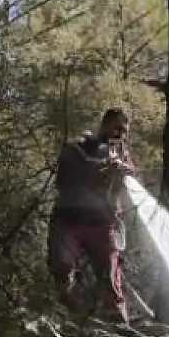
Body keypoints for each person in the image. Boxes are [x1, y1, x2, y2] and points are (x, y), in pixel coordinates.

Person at [48, 107, 135, 324]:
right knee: (62, 266)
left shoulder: (121, 154)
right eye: (117, 128)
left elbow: (132, 178)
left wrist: (122, 170)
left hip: (103, 223)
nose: (120, 134)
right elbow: (65, 177)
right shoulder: (78, 146)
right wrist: (102, 168)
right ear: (104, 124)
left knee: (109, 273)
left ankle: (117, 320)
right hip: (69, 219)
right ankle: (73, 317)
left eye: (124, 131)